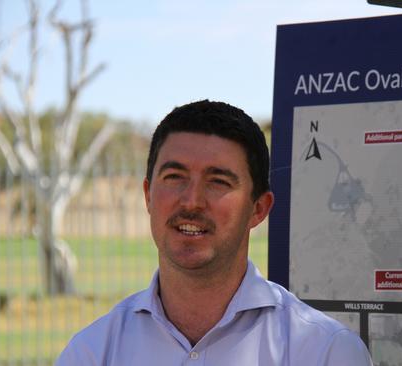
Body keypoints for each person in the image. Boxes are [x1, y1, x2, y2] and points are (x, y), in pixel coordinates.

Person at [56, 100, 373, 365]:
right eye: (175, 176)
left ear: (259, 209)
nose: (191, 201)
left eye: (218, 181)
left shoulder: (325, 352)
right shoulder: (91, 353)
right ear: (147, 195)